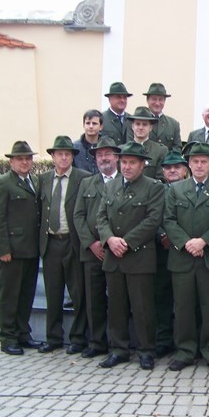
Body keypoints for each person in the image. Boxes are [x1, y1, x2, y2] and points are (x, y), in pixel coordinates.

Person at [164, 143, 209, 372]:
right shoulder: (175, 189)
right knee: (183, 307)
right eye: (195, 161)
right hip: (182, 258)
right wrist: (187, 243)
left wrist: (203, 242)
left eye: (204, 161)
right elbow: (169, 220)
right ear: (188, 165)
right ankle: (185, 351)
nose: (199, 165)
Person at [97, 142, 165, 370]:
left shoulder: (153, 187)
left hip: (138, 257)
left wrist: (126, 242)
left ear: (142, 164)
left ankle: (146, 351)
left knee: (143, 307)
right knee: (116, 307)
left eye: (132, 162)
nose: (127, 167)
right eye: (124, 162)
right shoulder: (110, 186)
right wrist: (109, 239)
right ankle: (119, 349)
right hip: (114, 258)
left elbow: (153, 220)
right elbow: (101, 218)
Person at [0, 141, 42, 355]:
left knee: (26, 294)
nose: (25, 162)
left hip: (30, 249)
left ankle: (22, 332)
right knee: (9, 295)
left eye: (28, 158)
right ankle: (7, 336)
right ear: (11, 161)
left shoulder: (34, 181)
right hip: (12, 250)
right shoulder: (1, 183)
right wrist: (3, 249)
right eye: (20, 158)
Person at [38, 136, 90, 354]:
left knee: (78, 292)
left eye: (68, 154)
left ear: (73, 157)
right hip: (51, 242)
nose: (64, 157)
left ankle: (78, 337)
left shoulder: (83, 178)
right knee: (53, 292)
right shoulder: (43, 179)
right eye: (60, 154)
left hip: (72, 241)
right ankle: (53, 337)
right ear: (52, 156)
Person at [73, 136, 121, 358]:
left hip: (119, 251)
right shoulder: (87, 183)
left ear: (116, 157)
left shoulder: (126, 181)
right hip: (93, 251)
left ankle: (119, 342)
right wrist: (91, 243)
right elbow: (79, 216)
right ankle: (97, 342)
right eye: (100, 154)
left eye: (108, 154)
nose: (104, 158)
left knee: (120, 299)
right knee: (94, 299)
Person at [153, 150, 188, 359]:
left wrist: (178, 239)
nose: (172, 171)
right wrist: (162, 235)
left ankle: (186, 341)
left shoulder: (190, 189)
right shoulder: (156, 190)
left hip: (185, 251)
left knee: (185, 300)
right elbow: (151, 215)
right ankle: (163, 340)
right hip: (162, 251)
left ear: (185, 170)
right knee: (162, 297)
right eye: (168, 167)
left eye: (176, 167)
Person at [126, 83, 182, 151]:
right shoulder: (135, 121)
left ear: (164, 101)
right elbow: (129, 146)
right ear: (147, 100)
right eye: (154, 99)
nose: (157, 103)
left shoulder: (174, 124)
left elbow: (177, 149)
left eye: (160, 99)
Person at [125, 106, 168, 181]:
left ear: (150, 127)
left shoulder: (160, 151)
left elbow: (160, 179)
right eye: (137, 124)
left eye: (144, 124)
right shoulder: (122, 150)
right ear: (132, 126)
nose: (141, 127)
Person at [73, 109, 104, 173]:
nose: (91, 126)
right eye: (88, 123)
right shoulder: (75, 147)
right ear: (83, 125)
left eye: (94, 123)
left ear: (101, 126)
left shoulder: (106, 147)